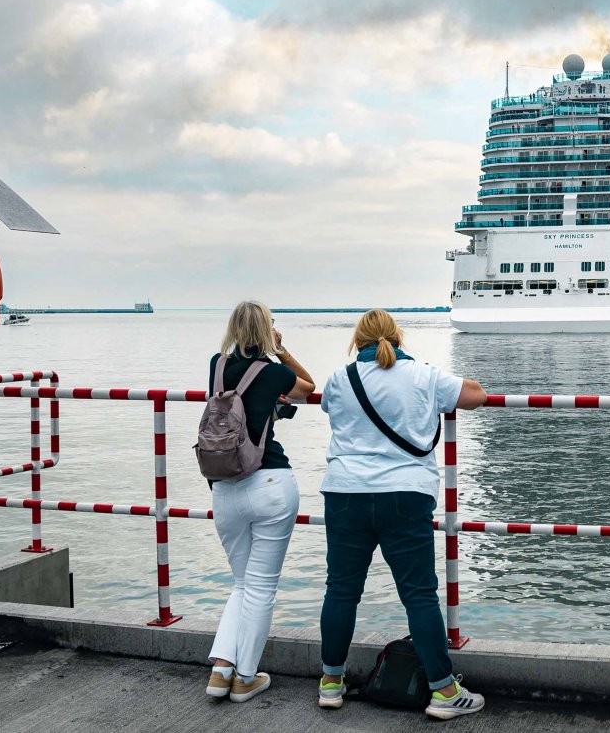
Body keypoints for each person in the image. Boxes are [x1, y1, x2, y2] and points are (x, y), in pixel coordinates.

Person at [316, 309, 489, 719]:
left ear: (358, 341)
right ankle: (444, 692)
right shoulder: (424, 375)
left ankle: (330, 682)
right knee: (418, 593)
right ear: (397, 338)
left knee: (341, 590)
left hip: (344, 492)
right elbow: (477, 395)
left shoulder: (340, 378)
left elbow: (325, 406)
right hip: (405, 494)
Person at [205, 301, 316, 703]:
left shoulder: (216, 365)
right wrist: (282, 350)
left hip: (223, 486)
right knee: (261, 588)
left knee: (242, 584)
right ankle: (245, 677)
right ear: (267, 330)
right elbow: (308, 387)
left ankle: (222, 670)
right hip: (270, 482)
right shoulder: (275, 372)